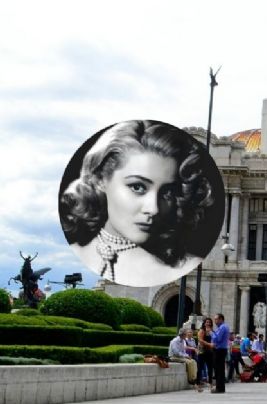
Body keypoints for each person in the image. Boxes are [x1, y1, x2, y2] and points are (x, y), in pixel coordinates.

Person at [60, 120, 217, 287]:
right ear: (100, 179)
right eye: (137, 187)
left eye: (167, 192)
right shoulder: (81, 251)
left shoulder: (182, 264)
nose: (153, 208)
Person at [168, 328, 203, 392]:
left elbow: (183, 352)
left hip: (180, 356)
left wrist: (187, 356)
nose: (187, 335)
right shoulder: (175, 341)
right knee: (189, 362)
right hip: (173, 357)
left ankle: (194, 378)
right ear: (182, 335)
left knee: (194, 362)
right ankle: (191, 380)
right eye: (186, 334)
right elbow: (176, 352)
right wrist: (185, 356)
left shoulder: (183, 341)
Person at [210, 313, 229, 394]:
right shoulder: (224, 327)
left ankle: (219, 388)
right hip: (222, 350)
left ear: (221, 319)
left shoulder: (222, 327)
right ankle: (221, 387)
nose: (215, 321)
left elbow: (217, 338)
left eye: (216, 319)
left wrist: (211, 332)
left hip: (219, 350)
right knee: (220, 370)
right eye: (214, 319)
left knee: (218, 370)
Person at [197, 317, 214, 386]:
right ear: (204, 323)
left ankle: (210, 383)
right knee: (200, 367)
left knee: (210, 367)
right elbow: (200, 340)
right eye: (207, 322)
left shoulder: (211, 331)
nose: (208, 323)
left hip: (209, 351)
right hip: (202, 351)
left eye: (209, 322)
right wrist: (209, 344)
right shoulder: (202, 330)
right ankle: (198, 383)